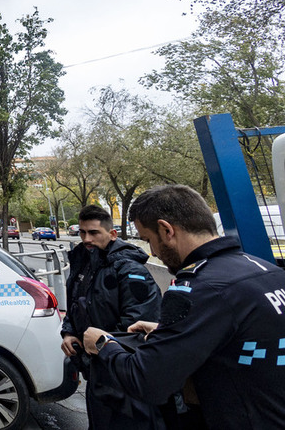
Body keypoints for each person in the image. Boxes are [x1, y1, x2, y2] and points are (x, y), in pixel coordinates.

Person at [83, 184, 285, 429]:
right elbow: (245, 335)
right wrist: (169, 330)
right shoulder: (265, 270)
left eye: (149, 240)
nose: (154, 253)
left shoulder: (198, 288)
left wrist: (104, 344)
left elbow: (148, 380)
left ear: (167, 230)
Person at [60, 205, 163, 429]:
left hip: (123, 378)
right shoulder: (84, 262)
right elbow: (76, 303)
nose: (87, 239)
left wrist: (99, 350)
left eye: (94, 232)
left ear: (112, 234)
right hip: (96, 372)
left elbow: (136, 326)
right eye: (82, 232)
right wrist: (68, 331)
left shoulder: (129, 269)